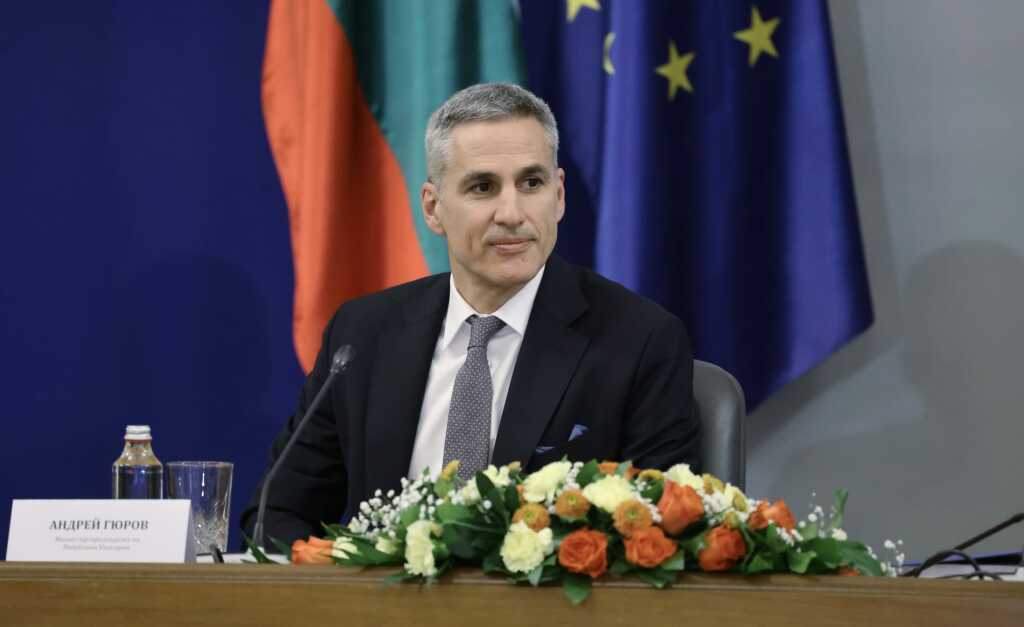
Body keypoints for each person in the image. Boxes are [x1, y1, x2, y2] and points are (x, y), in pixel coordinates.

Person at [241, 83, 701, 545]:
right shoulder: (363, 335)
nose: (512, 213)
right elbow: (275, 514)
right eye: (483, 187)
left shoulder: (637, 341)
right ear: (433, 208)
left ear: (559, 195)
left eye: (532, 183)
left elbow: (659, 536)